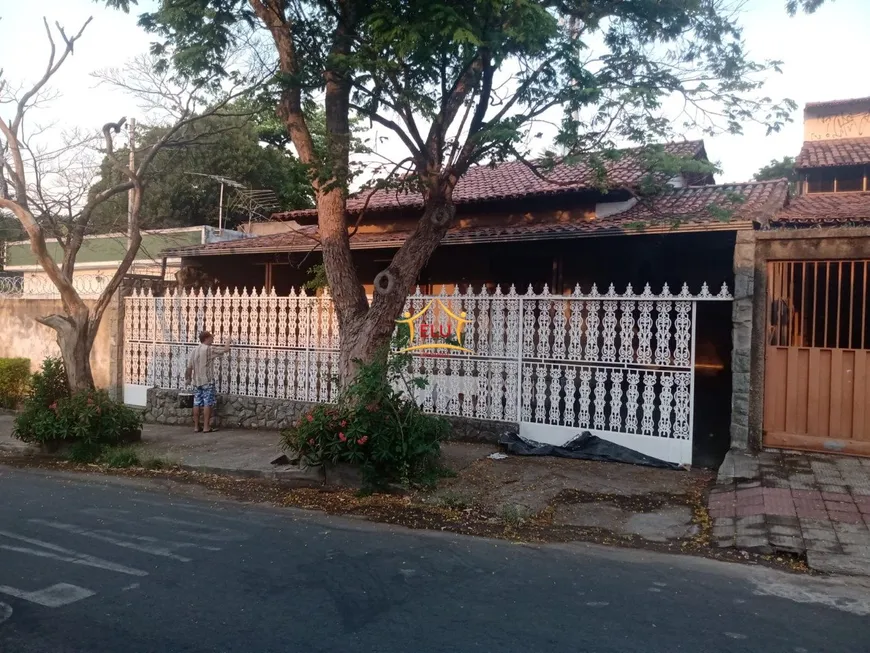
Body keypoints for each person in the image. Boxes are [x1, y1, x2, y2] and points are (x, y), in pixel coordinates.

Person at [184, 331, 231, 433]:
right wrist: (229, 340)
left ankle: (196, 427)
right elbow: (226, 349)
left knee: (196, 403)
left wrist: (187, 379)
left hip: (196, 382)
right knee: (207, 403)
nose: (213, 339)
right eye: (211, 338)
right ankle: (206, 427)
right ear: (206, 338)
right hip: (207, 381)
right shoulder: (209, 349)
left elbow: (189, 368)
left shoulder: (194, 350)